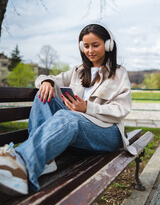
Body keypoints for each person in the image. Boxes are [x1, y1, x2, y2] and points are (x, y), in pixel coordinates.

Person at [0, 24, 137, 196]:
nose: (90, 50)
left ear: (108, 45)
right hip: (77, 130)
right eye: (86, 46)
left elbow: (121, 109)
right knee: (43, 95)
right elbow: (45, 78)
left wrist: (87, 108)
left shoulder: (118, 73)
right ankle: (45, 161)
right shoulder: (78, 71)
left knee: (68, 117)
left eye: (95, 45)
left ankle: (20, 165)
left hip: (107, 133)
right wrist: (47, 82)